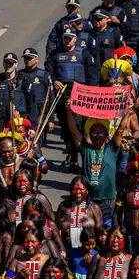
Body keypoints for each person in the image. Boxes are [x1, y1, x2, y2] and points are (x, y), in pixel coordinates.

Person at [46, 26, 98, 171]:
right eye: (65, 38)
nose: (67, 40)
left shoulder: (83, 53)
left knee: (80, 126)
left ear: (75, 38)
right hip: (61, 93)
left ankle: (85, 158)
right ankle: (72, 156)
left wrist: (89, 93)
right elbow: (48, 72)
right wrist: (54, 79)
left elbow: (92, 75)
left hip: (80, 94)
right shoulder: (55, 54)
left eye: (70, 37)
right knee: (66, 127)